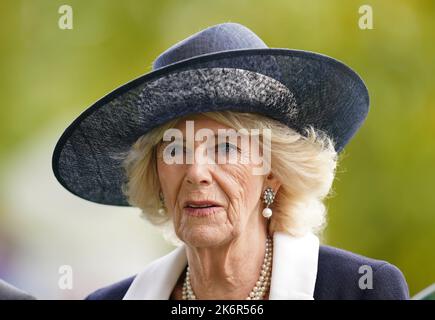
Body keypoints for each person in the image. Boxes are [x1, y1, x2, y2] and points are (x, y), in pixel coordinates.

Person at [52, 22, 409, 300]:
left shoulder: (361, 290)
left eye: (225, 147)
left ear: (272, 172)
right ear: (155, 175)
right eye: (175, 149)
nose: (196, 172)